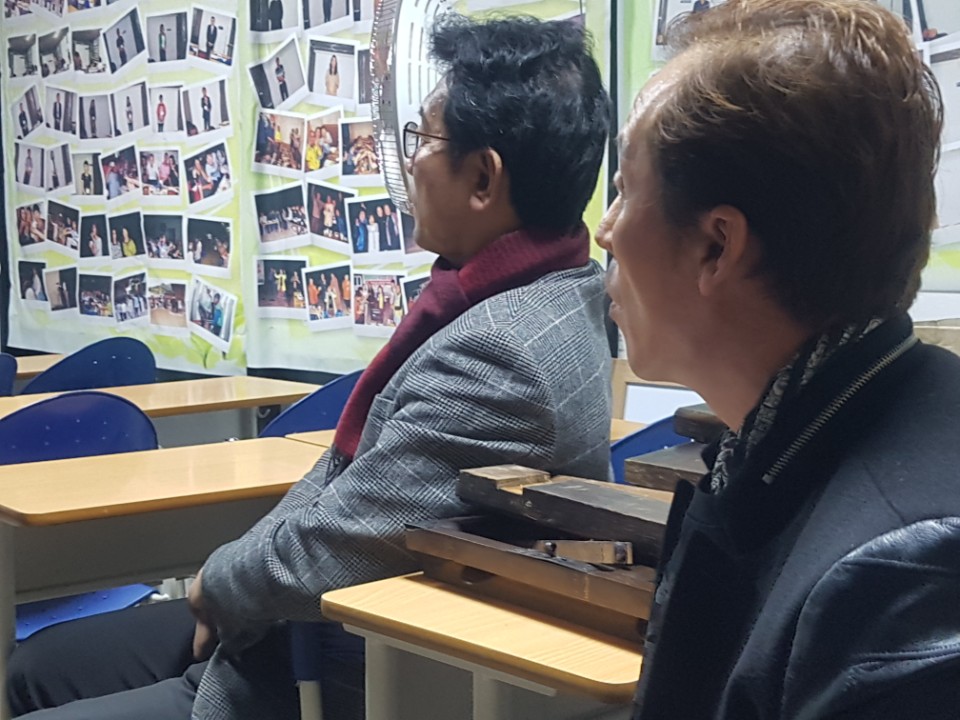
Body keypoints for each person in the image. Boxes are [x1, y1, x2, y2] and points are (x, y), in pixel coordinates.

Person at [7, 14, 612, 720]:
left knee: (45, 688)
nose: (410, 161)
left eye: (423, 139)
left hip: (334, 665)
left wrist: (215, 585)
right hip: (319, 623)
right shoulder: (557, 295)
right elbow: (344, 487)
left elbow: (333, 546)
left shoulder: (500, 352)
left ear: (483, 177)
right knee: (42, 666)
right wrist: (226, 579)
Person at [594, 2, 960, 719]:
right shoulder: (801, 434)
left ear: (717, 246)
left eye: (625, 190)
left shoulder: (897, 578)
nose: (605, 231)